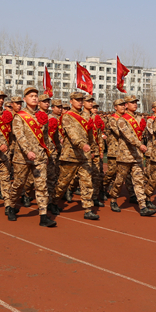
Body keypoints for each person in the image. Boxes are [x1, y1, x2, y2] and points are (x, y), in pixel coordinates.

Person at [7, 87, 57, 227]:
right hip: (22, 158)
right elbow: (19, 136)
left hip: (40, 156)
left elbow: (45, 137)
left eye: (36, 95)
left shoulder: (42, 116)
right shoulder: (19, 116)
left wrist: (48, 153)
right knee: (18, 184)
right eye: (31, 96)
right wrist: (28, 151)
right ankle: (11, 206)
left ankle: (43, 216)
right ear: (25, 99)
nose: (34, 98)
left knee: (41, 186)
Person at [109, 95, 156, 216]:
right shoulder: (122, 120)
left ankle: (142, 206)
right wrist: (140, 145)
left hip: (137, 155)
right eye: (132, 102)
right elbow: (128, 135)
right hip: (125, 155)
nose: (135, 104)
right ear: (126, 105)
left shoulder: (139, 118)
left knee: (139, 180)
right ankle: (113, 199)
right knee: (119, 180)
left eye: (136, 102)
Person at [53, 92, 97, 220]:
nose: (80, 102)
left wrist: (92, 149)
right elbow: (72, 134)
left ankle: (88, 209)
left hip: (84, 155)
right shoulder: (67, 116)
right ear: (71, 101)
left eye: (81, 100)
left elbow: (90, 135)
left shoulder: (86, 116)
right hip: (71, 155)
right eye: (77, 100)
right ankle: (53, 202)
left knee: (87, 182)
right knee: (63, 183)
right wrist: (82, 144)